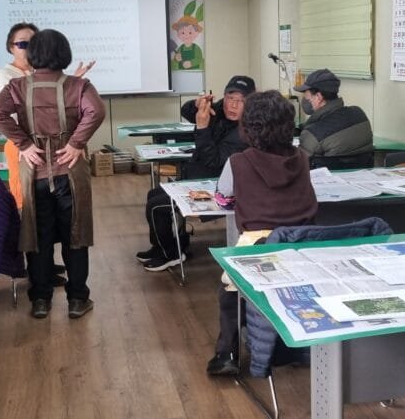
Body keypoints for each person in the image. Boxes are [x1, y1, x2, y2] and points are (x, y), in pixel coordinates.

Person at [0, 29, 106, 320]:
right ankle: (77, 299)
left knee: (37, 236)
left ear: (33, 54)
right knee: (75, 235)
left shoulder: (17, 86)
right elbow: (96, 111)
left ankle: (40, 300)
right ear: (64, 53)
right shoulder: (79, 85)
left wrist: (24, 144)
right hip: (71, 171)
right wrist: (76, 143)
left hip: (35, 172)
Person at [206, 90, 318, 376]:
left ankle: (227, 354)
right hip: (302, 245)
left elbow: (223, 201)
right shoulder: (302, 158)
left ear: (248, 126)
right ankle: (293, 346)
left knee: (229, 294)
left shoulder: (238, 162)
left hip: (258, 247)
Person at [136, 75, 255, 272]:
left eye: (240, 101)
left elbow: (213, 160)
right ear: (224, 97)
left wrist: (202, 127)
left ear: (250, 103)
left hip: (218, 189)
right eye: (230, 98)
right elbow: (187, 111)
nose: (233, 105)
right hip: (198, 178)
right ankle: (166, 246)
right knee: (153, 194)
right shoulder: (220, 110)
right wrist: (197, 104)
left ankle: (170, 254)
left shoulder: (245, 131)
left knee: (157, 206)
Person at [294, 68, 373, 160]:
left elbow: (300, 163)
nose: (306, 100)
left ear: (318, 97)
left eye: (308, 98)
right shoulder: (359, 115)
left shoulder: (312, 134)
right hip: (362, 168)